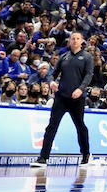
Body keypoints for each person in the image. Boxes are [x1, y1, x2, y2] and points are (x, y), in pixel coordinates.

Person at [30, 31, 96, 168]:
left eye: (78, 39)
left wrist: (81, 89)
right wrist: (51, 82)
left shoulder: (87, 57)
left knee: (80, 126)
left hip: (77, 98)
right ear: (69, 41)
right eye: (73, 38)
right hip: (61, 97)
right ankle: (43, 157)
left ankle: (86, 155)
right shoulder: (64, 56)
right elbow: (52, 74)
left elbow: (89, 75)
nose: (75, 41)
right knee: (52, 126)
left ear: (82, 41)